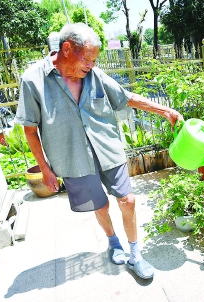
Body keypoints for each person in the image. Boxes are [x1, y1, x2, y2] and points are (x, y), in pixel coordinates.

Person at [15, 23, 184, 280]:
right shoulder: (33, 80)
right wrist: (46, 170)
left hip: (107, 149)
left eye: (95, 60)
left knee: (127, 200)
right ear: (67, 48)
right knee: (101, 206)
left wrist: (166, 111)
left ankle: (136, 254)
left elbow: (126, 97)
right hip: (72, 158)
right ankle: (113, 241)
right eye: (88, 58)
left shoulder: (93, 75)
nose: (91, 65)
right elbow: (29, 130)